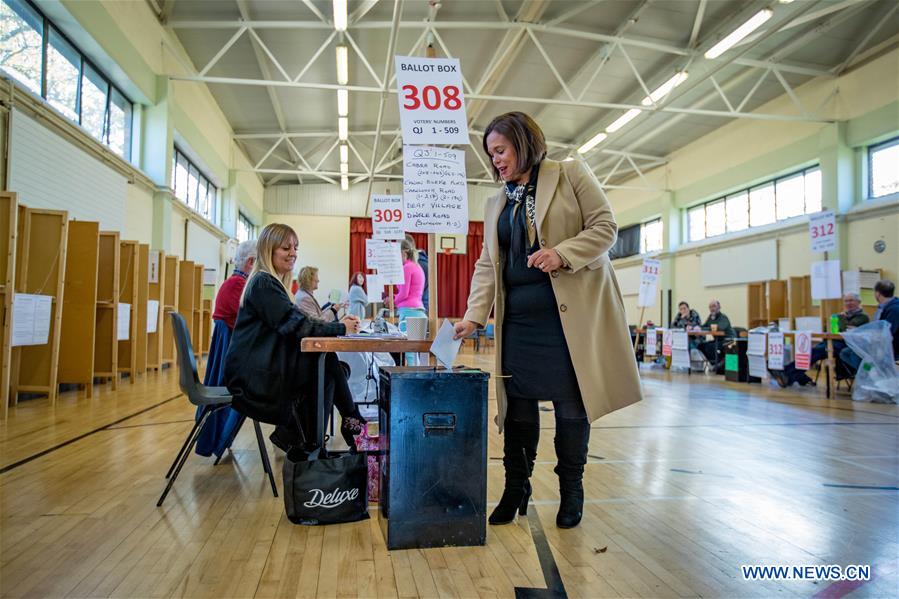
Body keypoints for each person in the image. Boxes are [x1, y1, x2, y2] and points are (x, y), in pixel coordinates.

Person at [452, 112, 643, 529]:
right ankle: (516, 487)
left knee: (571, 406)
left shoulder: (569, 173)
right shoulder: (496, 201)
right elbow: (488, 264)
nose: (496, 161)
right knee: (518, 408)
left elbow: (606, 227)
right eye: (491, 154)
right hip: (518, 323)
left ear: (523, 142)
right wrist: (472, 317)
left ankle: (572, 491)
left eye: (500, 150)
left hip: (567, 320)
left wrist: (563, 253)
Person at [224, 224, 365, 452]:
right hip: (252, 379)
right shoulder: (263, 283)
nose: (293, 253)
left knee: (327, 369)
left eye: (295, 247)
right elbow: (297, 325)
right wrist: (341, 327)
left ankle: (308, 442)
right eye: (285, 248)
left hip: (263, 367)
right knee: (327, 368)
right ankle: (339, 428)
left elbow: (300, 321)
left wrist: (338, 326)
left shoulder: (270, 284)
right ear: (268, 250)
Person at [195, 239, 256, 458]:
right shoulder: (237, 285)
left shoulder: (234, 283)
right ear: (251, 262)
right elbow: (250, 322)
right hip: (231, 369)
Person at [773, 292, 869, 387]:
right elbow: (830, 329)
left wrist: (840, 318)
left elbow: (844, 330)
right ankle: (794, 375)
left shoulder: (863, 317)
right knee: (813, 350)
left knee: (817, 351)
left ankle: (789, 373)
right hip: (834, 342)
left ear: (858, 302)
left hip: (849, 346)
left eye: (851, 300)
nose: (848, 303)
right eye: (846, 301)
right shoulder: (841, 316)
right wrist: (840, 322)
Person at [839, 280, 899, 374]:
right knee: (846, 352)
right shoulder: (883, 307)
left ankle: (872, 374)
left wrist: (865, 333)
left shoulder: (894, 309)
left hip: (889, 347)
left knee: (857, 354)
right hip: (878, 344)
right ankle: (869, 373)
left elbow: (887, 333)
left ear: (877, 294)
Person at [395, 238, 426, 326]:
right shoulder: (417, 266)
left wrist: (392, 301)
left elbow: (404, 294)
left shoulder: (407, 268)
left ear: (404, 253)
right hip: (418, 311)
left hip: (409, 312)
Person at [697, 300, 735, 371]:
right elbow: (704, 326)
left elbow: (720, 328)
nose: (712, 308)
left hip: (728, 340)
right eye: (710, 307)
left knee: (712, 347)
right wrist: (697, 327)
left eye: (714, 306)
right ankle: (714, 363)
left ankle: (719, 364)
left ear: (719, 307)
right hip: (718, 340)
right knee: (701, 346)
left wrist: (708, 328)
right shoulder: (710, 317)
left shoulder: (723, 317)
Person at [404, 234, 430, 311]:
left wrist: (394, 299)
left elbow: (408, 292)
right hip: (423, 306)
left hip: (416, 308)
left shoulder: (413, 266)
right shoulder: (425, 263)